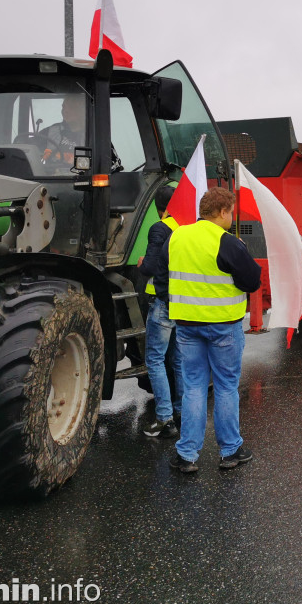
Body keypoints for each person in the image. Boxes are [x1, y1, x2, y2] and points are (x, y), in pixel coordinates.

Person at [165, 187, 261, 473]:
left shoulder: (177, 236)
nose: (232, 217)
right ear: (221, 212)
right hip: (223, 327)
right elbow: (252, 282)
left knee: (193, 387)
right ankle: (230, 451)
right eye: (230, 212)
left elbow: (161, 268)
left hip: (186, 325)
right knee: (225, 386)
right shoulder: (227, 242)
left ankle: (187, 455)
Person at [137, 185, 184, 438]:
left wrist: (143, 264)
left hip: (162, 303)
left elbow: (151, 266)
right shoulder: (185, 228)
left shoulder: (160, 228)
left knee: (155, 360)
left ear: (158, 208)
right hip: (181, 303)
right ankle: (180, 412)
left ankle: (164, 418)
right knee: (177, 360)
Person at [41, 93, 86, 169]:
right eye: (64, 107)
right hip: (48, 177)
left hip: (80, 179)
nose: (65, 111)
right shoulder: (50, 131)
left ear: (82, 110)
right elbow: (30, 148)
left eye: (72, 107)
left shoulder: (94, 135)